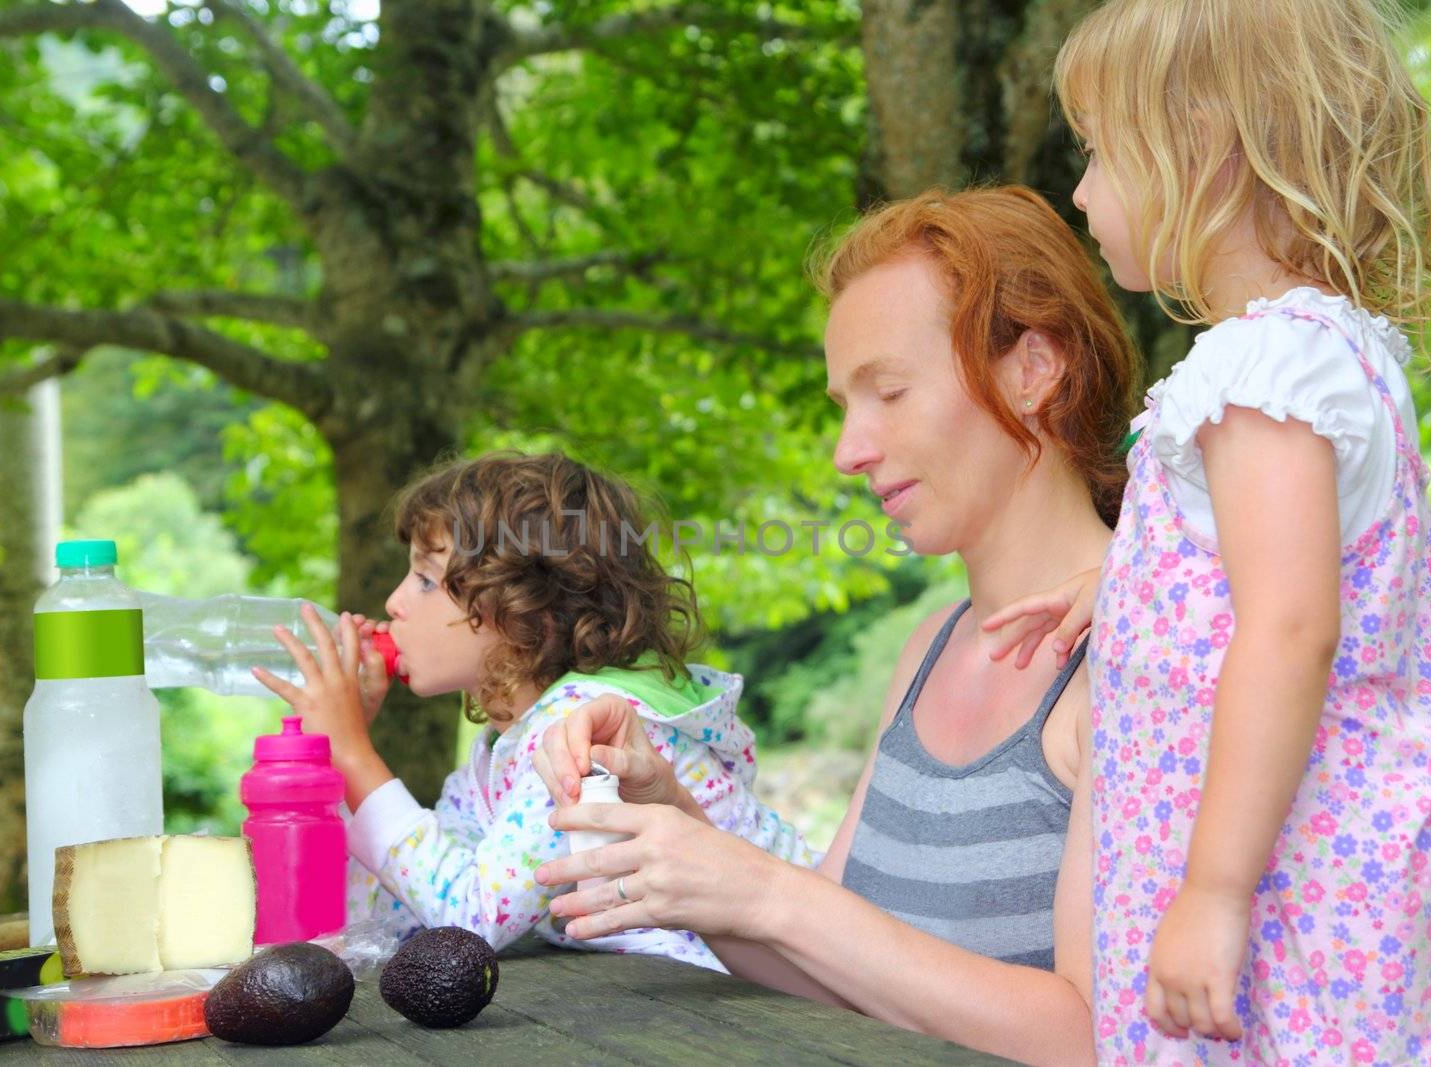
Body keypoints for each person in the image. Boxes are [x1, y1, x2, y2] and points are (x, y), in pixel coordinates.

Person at [533, 185, 1140, 1065]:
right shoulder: (928, 649)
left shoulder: (1135, 651)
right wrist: (671, 821)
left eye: (888, 391)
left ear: (1032, 371)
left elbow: (1092, 1035)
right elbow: (838, 971)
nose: (849, 450)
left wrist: (768, 891)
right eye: (843, 405)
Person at [1040, 0, 1431, 1060]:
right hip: (1332, 891)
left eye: (1099, 153)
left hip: (1286, 905)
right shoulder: (1335, 353)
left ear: (1202, 148)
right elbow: (1281, 566)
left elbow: (1289, 627)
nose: (1080, 191)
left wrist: (1212, 891)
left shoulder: (1261, 372)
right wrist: (1136, 576)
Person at [254, 450, 814, 967]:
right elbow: (393, 923)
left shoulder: (595, 732)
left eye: (425, 579)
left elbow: (470, 924)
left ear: (526, 610)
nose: (394, 602)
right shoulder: (496, 759)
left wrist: (356, 757)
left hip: (784, 996)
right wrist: (336, 775)